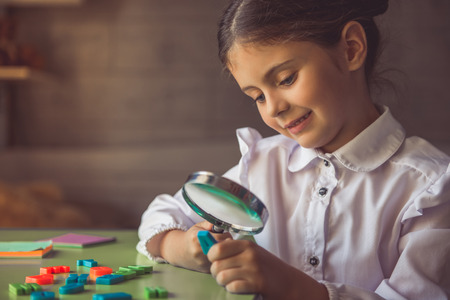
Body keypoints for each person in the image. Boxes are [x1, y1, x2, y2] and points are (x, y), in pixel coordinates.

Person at [137, 0, 450, 299]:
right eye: (257, 96)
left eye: (286, 79)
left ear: (351, 49)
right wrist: (182, 246)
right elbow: (163, 212)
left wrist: (291, 287)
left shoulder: (432, 189)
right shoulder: (263, 164)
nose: (274, 108)